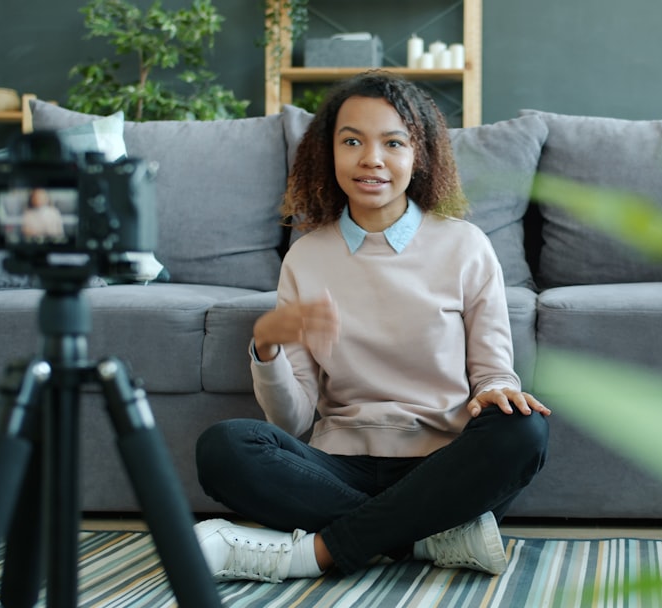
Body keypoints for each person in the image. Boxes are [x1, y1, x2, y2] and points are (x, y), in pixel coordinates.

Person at [193, 70, 551, 583]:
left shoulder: (465, 245)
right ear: (328, 152)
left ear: (419, 155)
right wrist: (267, 346)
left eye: (393, 142)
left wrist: (497, 391)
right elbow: (292, 424)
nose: (371, 159)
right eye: (352, 141)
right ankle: (426, 536)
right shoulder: (306, 256)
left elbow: (494, 371)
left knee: (524, 429)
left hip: (441, 464)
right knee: (224, 448)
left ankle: (312, 554)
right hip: (338, 462)